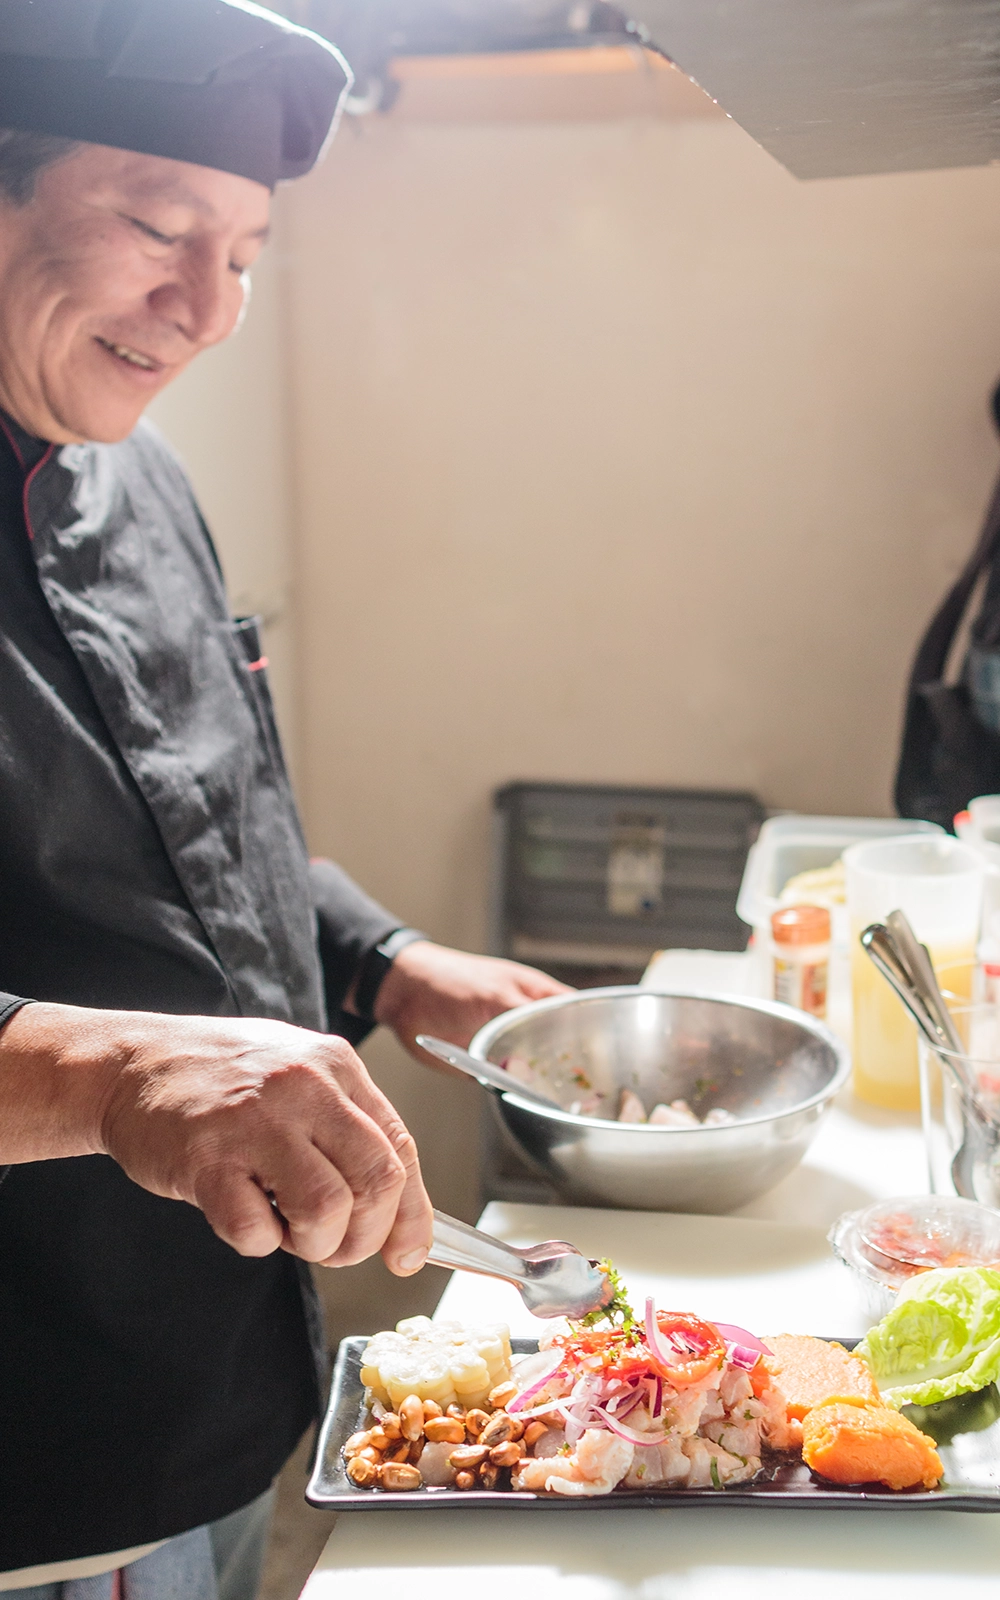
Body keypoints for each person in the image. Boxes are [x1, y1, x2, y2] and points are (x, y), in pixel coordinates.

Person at [0, 3, 566, 1595]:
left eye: (245, 250)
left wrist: (385, 961)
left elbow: (192, 827)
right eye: (157, 225)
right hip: (47, 1459)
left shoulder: (141, 470)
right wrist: (116, 1076)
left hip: (232, 1389)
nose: (209, 307)